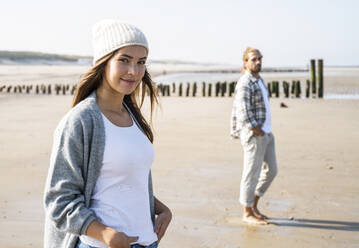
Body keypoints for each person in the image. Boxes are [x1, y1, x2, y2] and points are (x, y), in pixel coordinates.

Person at [44, 20, 172, 248]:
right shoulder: (81, 121)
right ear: (104, 63)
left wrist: (162, 210)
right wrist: (106, 235)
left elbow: (125, 182)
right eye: (124, 60)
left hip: (147, 241)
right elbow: (58, 200)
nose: (134, 71)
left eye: (141, 62)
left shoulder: (133, 117)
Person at [230, 47, 278, 225]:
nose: (258, 62)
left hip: (266, 132)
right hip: (254, 135)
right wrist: (256, 130)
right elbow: (243, 111)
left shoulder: (259, 80)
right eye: (253, 59)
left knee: (272, 170)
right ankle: (247, 212)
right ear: (245, 63)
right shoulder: (245, 82)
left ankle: (254, 205)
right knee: (251, 174)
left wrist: (264, 130)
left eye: (259, 59)